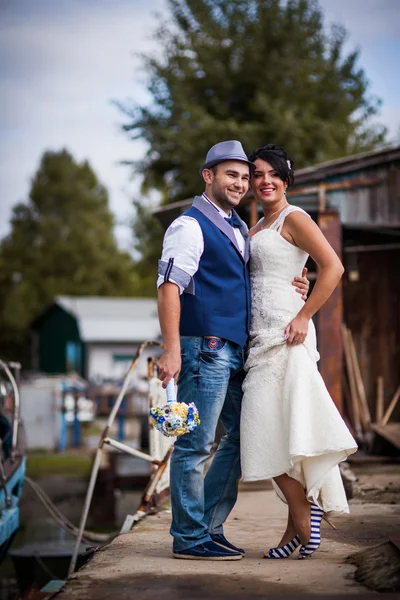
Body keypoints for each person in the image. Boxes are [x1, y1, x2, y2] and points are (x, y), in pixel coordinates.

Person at [156, 140, 310, 561]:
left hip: (234, 351)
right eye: (232, 174)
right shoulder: (188, 226)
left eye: (245, 176)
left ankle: (207, 525)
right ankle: (189, 537)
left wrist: (299, 282)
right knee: (195, 443)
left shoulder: (240, 227)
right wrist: (171, 350)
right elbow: (169, 288)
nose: (242, 183)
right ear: (208, 176)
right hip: (203, 347)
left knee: (243, 437)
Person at [240, 144, 358, 560]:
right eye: (257, 174)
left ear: (287, 180)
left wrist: (306, 314)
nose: (264, 180)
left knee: (275, 434)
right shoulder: (255, 229)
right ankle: (297, 522)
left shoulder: (296, 218)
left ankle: (302, 514)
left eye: (273, 174)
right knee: (269, 435)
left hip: (287, 336)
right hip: (259, 341)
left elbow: (334, 267)